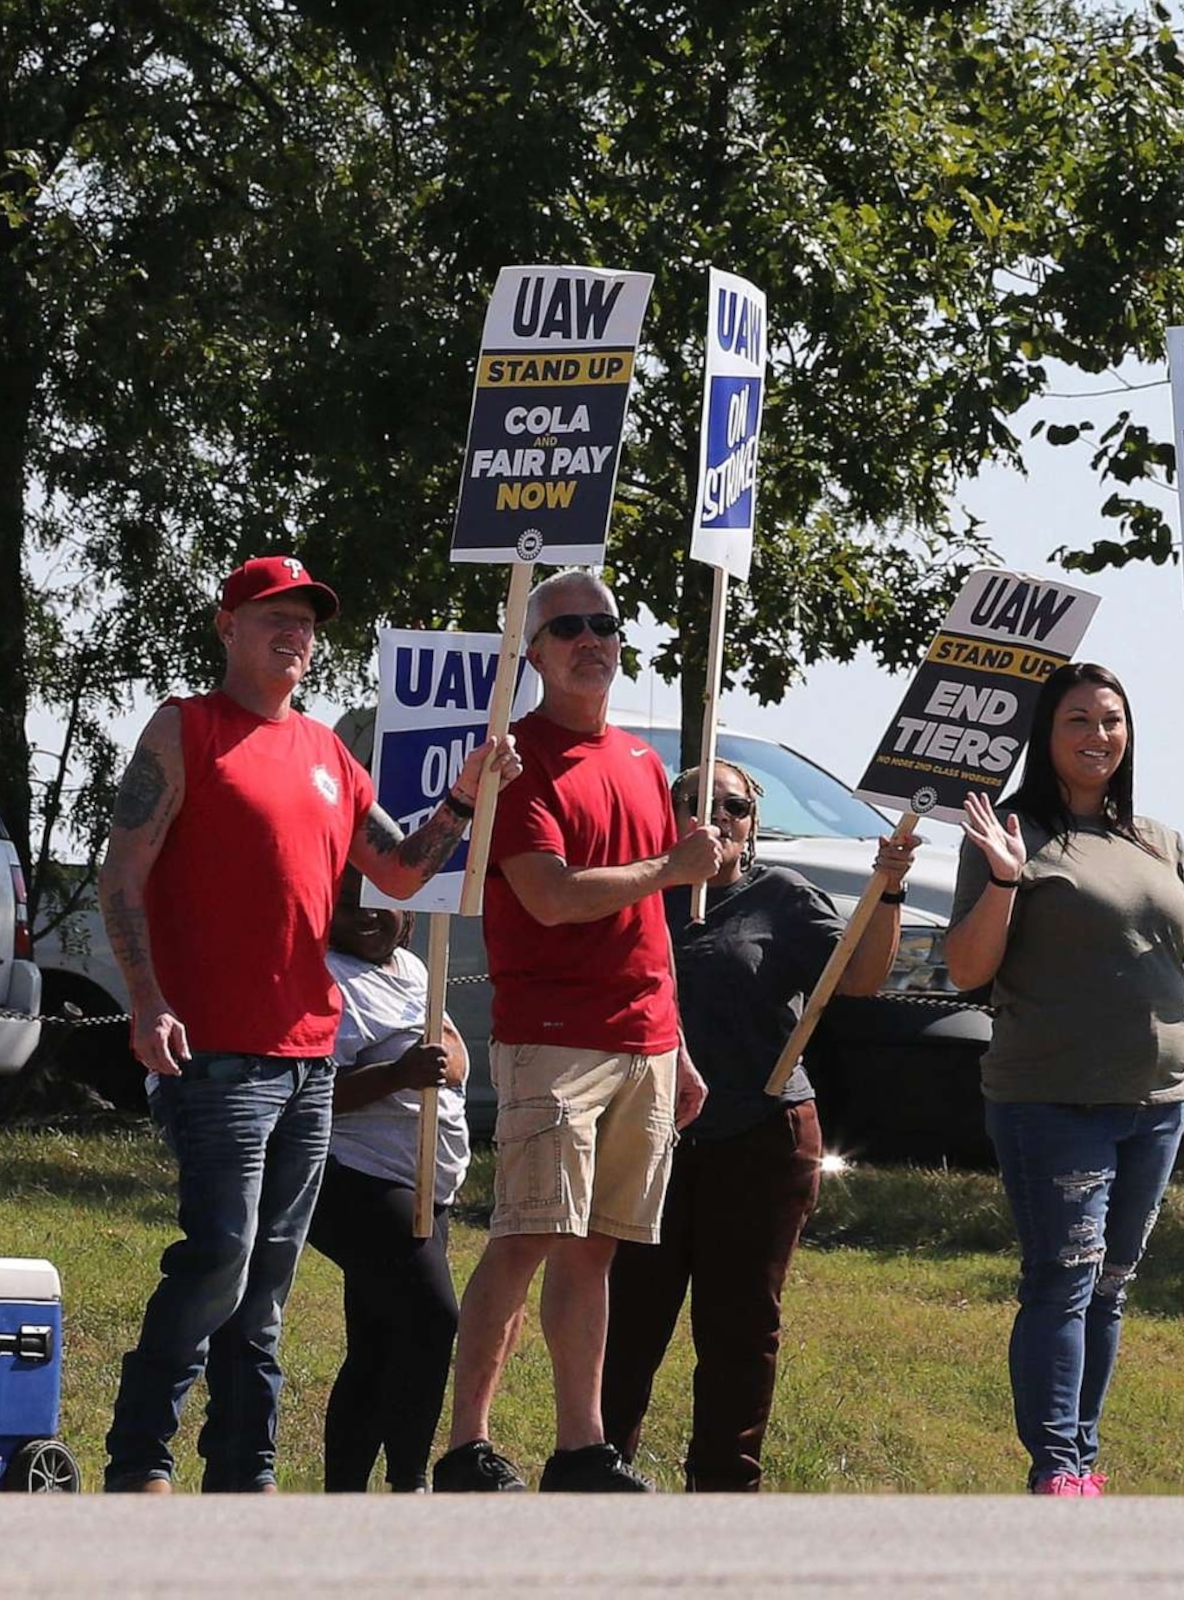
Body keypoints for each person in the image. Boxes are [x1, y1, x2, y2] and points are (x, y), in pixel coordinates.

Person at [96, 554, 516, 1496]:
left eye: (307, 620)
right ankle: (139, 1463)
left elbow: (402, 872)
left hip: (308, 1062)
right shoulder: (186, 727)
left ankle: (243, 1477)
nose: (294, 631)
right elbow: (121, 874)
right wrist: (148, 997)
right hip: (213, 1056)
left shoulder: (329, 754)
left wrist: (461, 795)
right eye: (272, 614)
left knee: (268, 1294)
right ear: (227, 625)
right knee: (220, 1258)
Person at [945, 660, 1184, 1495]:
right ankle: (1055, 1467)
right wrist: (1002, 877)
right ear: (1045, 734)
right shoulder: (1012, 832)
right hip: (1051, 1098)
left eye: (1111, 719)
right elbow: (967, 968)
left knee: (1108, 1284)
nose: (1097, 735)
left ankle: (1085, 1459)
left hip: (1156, 1103)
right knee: (1063, 1279)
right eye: (1077, 720)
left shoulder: (1156, 838)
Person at [436, 570, 719, 1495]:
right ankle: (465, 1444)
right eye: (567, 629)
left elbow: (651, 927)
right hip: (553, 1033)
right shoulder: (516, 761)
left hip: (643, 1037)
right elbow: (551, 898)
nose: (591, 640)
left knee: (595, 1245)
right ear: (534, 653)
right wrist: (671, 865)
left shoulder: (640, 760)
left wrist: (675, 1041)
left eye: (605, 624)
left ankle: (580, 1445)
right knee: (523, 1234)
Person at [600, 759, 920, 1490]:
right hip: (646, 1139)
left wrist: (890, 887)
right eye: (695, 801)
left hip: (760, 1138)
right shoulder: (638, 891)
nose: (717, 816)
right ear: (667, 812)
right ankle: (600, 1469)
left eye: (734, 805)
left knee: (740, 1329)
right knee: (628, 1323)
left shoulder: (780, 897)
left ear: (753, 819)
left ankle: (723, 1489)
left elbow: (861, 976)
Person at [307, 863, 469, 1493]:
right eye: (349, 905)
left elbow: (452, 1051)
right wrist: (400, 1075)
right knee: (432, 1318)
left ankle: (345, 1493)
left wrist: (441, 1058)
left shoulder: (413, 968)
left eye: (381, 901)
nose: (369, 916)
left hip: (430, 1180)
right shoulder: (326, 976)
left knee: (378, 1339)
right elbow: (314, 1097)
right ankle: (408, 1482)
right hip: (360, 1178)